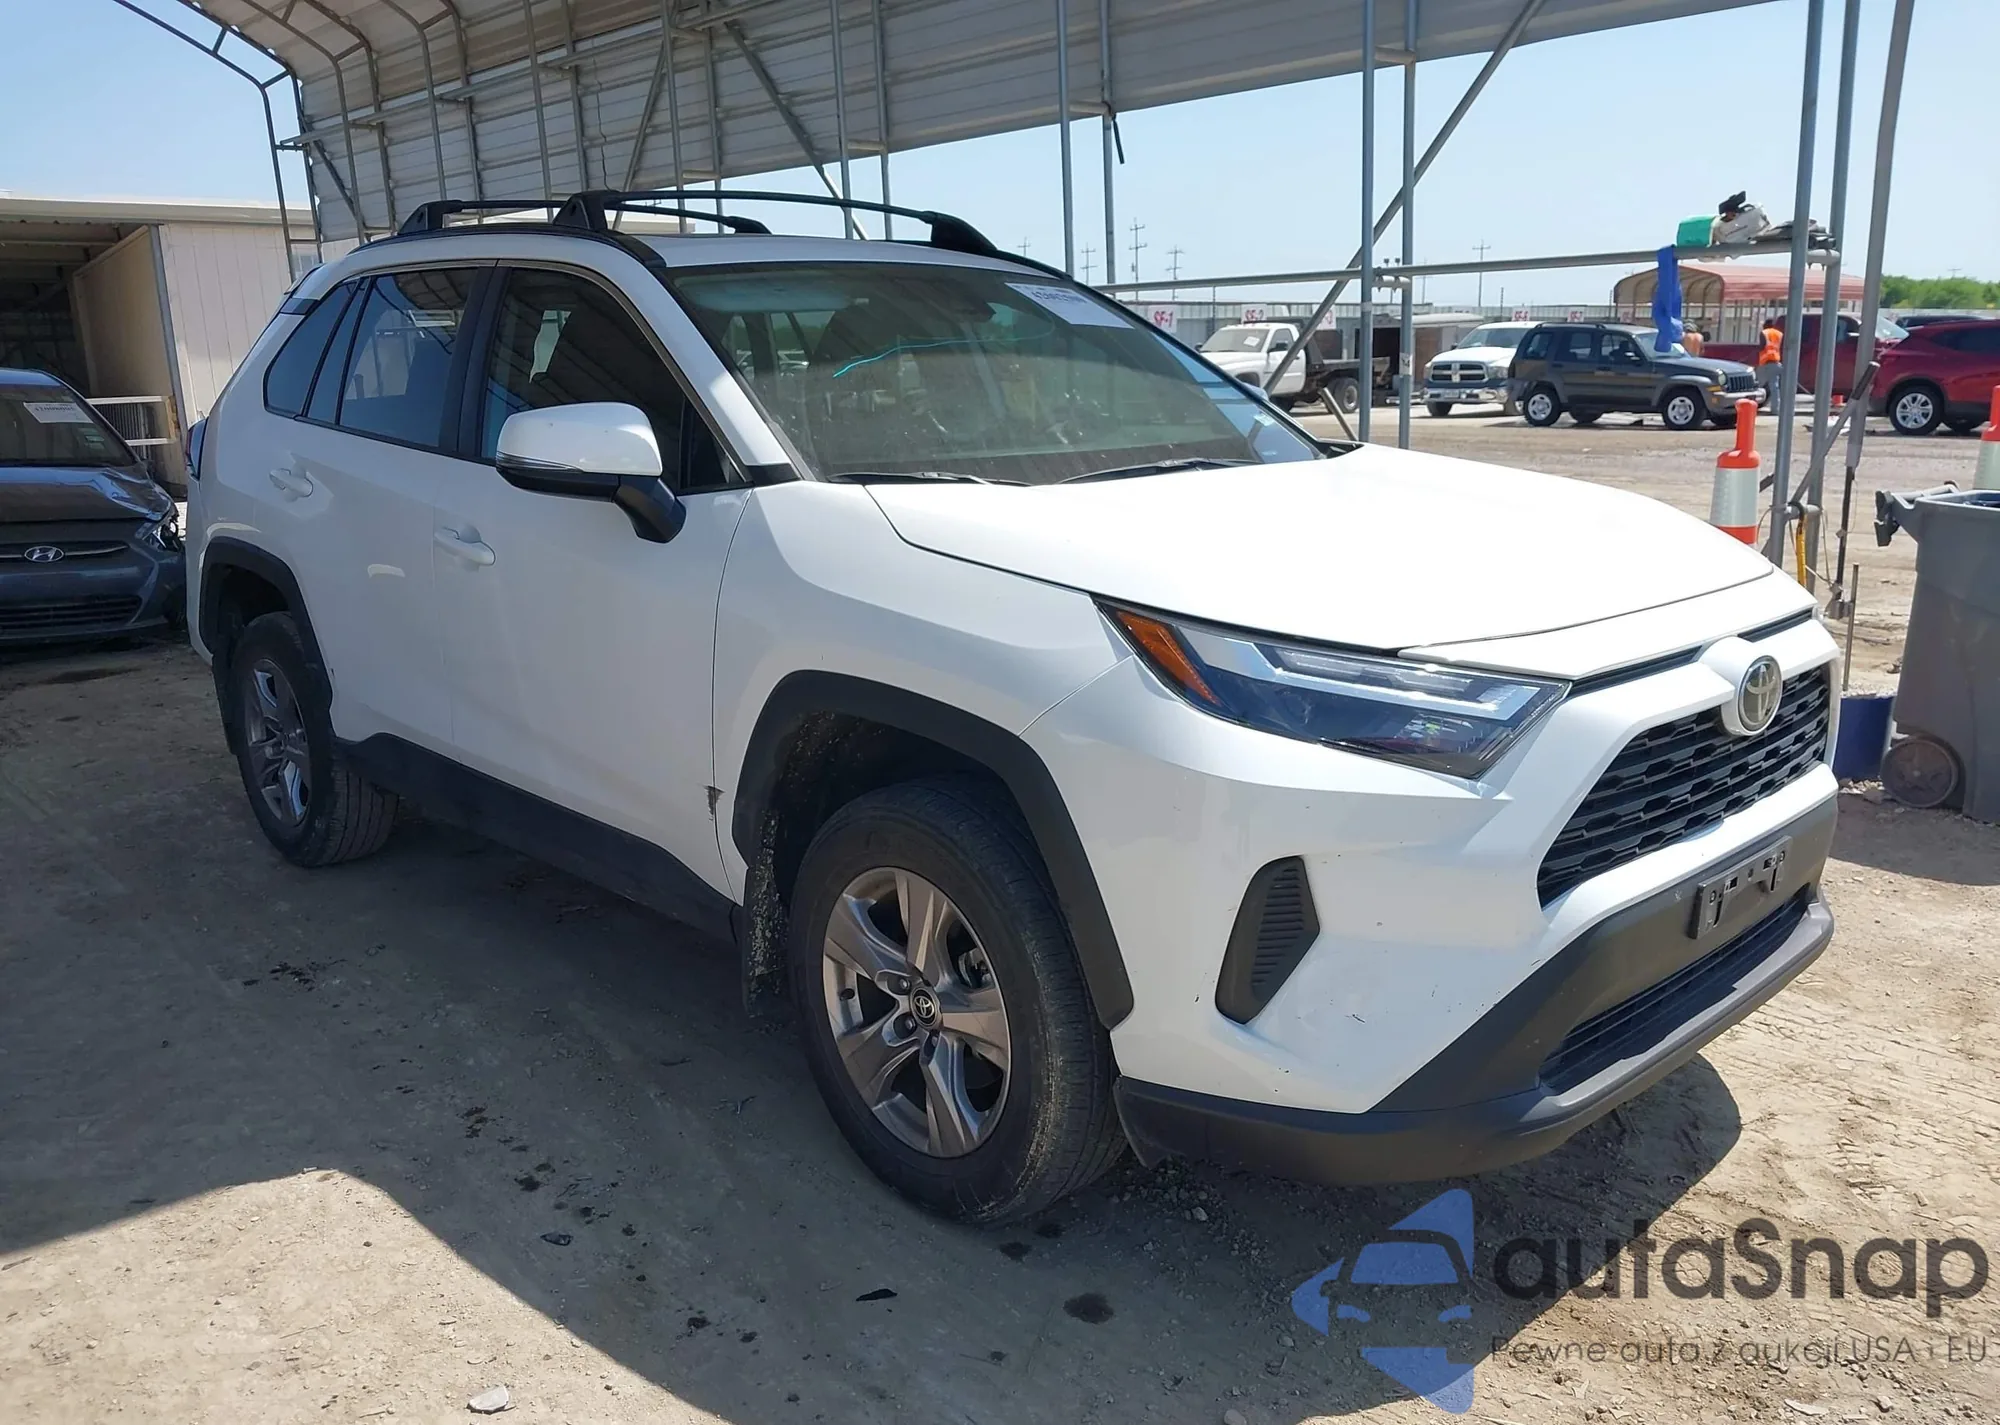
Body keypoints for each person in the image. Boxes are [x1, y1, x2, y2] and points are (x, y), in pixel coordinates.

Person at [1757, 316, 1785, 404]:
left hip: (1765, 362)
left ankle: (1754, 405)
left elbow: (1762, 346)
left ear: (1766, 325)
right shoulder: (1779, 334)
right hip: (1776, 362)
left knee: (1757, 385)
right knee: (1774, 386)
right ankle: (1775, 408)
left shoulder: (1764, 333)